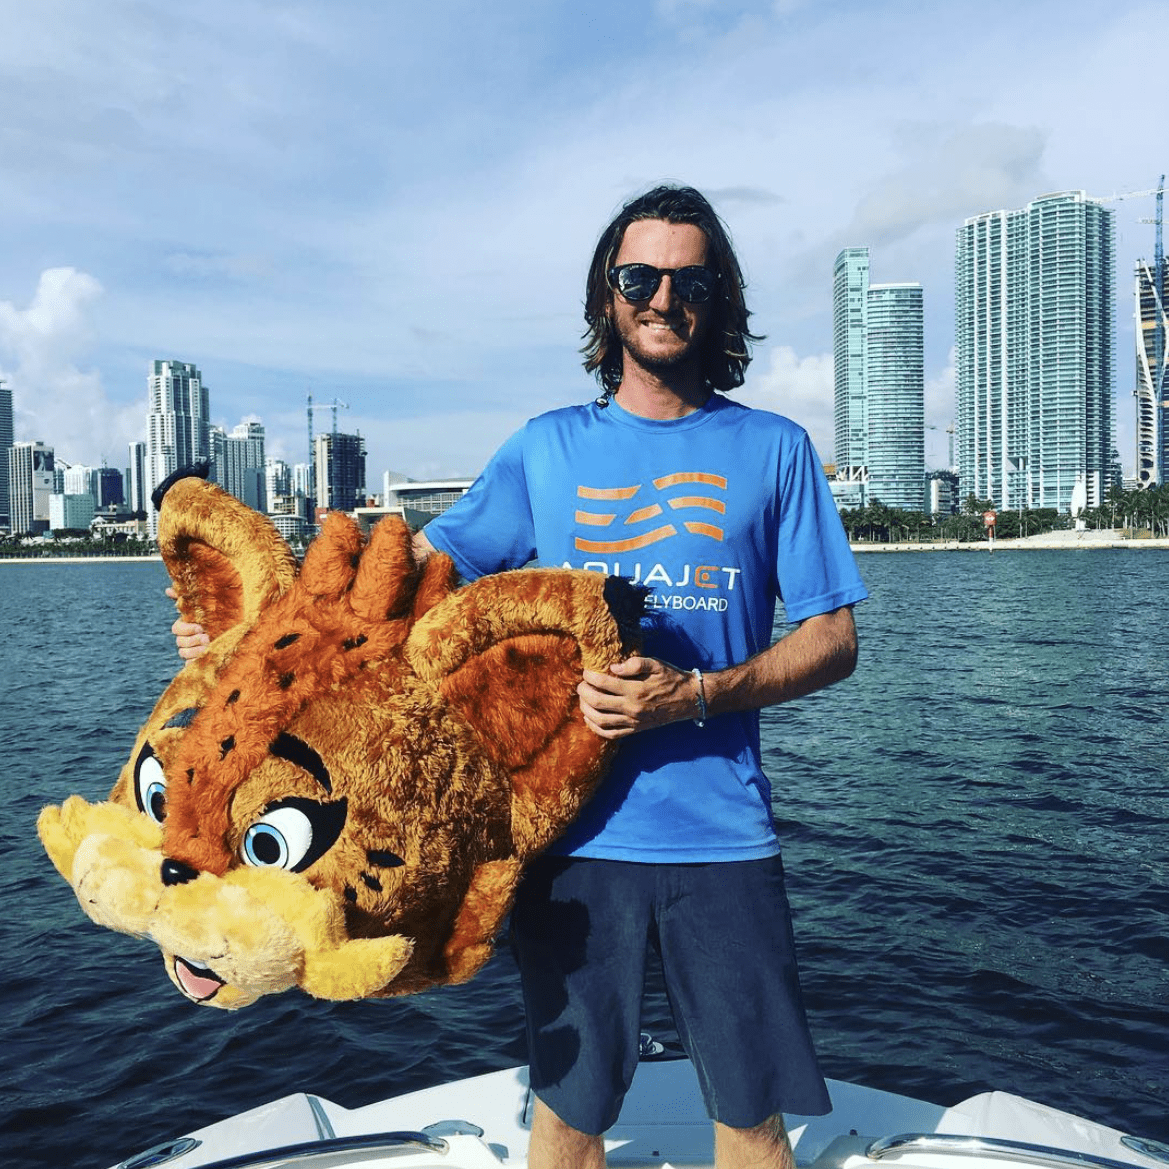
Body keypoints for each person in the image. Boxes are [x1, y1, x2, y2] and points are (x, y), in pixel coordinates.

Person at [173, 184, 867, 1169]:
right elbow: (407, 587)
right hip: (567, 846)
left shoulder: (775, 450)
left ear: (718, 297)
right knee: (569, 1122)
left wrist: (694, 694)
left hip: (723, 844)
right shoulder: (544, 450)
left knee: (751, 1125)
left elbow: (832, 635)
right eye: (639, 276)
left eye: (689, 278)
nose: (662, 296)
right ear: (607, 295)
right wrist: (252, 640)